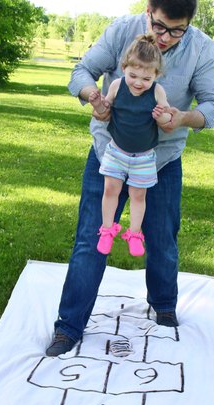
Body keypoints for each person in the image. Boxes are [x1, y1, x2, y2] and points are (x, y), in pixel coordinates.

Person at [46, 0, 214, 357]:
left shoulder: (201, 47)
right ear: (148, 11)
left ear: (190, 23)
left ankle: (164, 308)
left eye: (177, 31)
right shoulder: (120, 31)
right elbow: (81, 72)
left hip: (160, 160)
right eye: (159, 27)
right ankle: (69, 327)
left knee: (162, 237)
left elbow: (212, 106)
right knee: (90, 237)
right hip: (108, 154)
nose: (166, 38)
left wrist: (182, 118)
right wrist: (93, 96)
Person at [89, 34, 172, 257]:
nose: (138, 83)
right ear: (123, 67)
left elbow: (167, 122)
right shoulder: (117, 85)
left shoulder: (157, 92)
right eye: (133, 75)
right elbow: (103, 111)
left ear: (156, 75)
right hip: (116, 151)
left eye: (146, 78)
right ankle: (107, 230)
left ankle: (134, 234)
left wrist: (161, 116)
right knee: (110, 189)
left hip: (144, 157)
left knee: (138, 196)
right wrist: (98, 103)